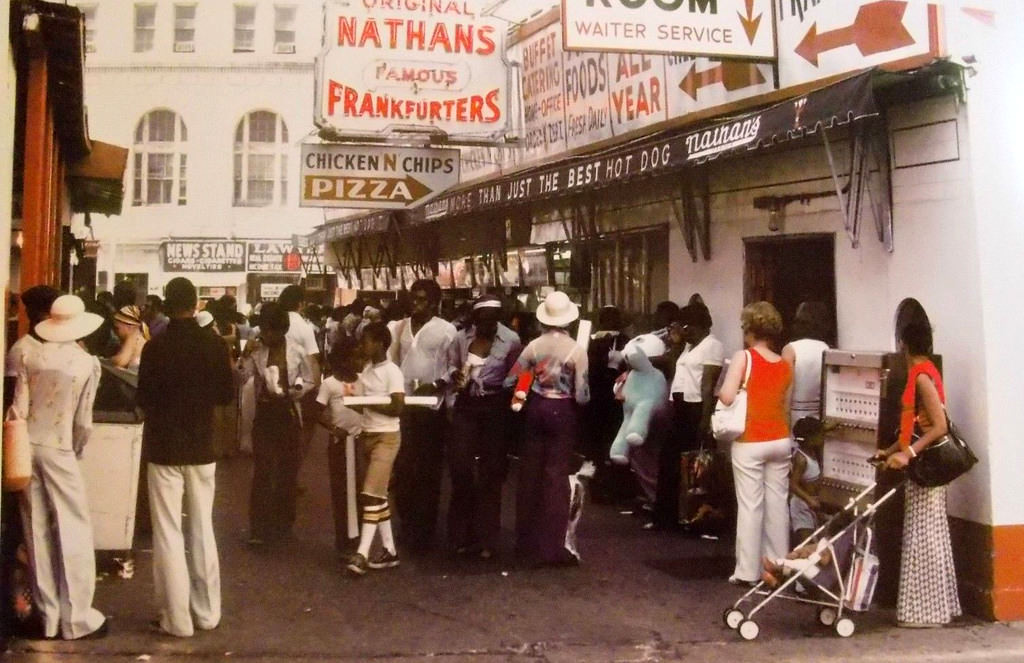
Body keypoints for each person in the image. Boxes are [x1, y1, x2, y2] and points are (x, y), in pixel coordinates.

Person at [137, 278, 234, 637]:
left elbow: (143, 398)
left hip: (164, 448)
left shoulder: (155, 348)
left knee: (167, 533)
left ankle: (176, 620)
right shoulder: (213, 345)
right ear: (196, 305)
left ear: (165, 303)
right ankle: (207, 613)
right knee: (202, 529)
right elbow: (225, 394)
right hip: (201, 447)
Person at [10, 294, 109, 640]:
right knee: (73, 528)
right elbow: (83, 422)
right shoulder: (85, 363)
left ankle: (48, 615)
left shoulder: (28, 355)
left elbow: (17, 410)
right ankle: (78, 617)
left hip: (27, 446)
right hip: (60, 447)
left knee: (35, 527)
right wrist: (76, 449)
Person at [871, 321, 962, 628]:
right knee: (926, 531)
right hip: (920, 461)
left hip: (926, 465)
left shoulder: (921, 376)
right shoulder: (922, 373)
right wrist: (891, 449)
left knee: (923, 533)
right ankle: (936, 607)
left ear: (903, 345)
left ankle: (926, 611)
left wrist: (907, 453)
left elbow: (939, 426)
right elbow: (915, 423)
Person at [504, 291, 589, 566]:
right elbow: (582, 394)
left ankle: (525, 542)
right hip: (562, 412)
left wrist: (529, 385)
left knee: (530, 475)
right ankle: (551, 548)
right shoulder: (577, 350)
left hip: (536, 409)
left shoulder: (533, 347)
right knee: (556, 479)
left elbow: (511, 381)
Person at [718, 301, 793, 586]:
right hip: (780, 439)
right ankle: (777, 567)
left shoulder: (744, 358)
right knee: (777, 506)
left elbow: (726, 396)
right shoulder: (785, 365)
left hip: (750, 439)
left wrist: (736, 389)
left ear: (750, 329)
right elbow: (785, 404)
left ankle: (747, 571)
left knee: (751, 506)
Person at [446, 295, 522, 559]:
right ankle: (461, 534)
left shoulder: (511, 340)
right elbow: (452, 367)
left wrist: (512, 396)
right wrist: (455, 377)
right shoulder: (460, 338)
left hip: (495, 407)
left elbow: (518, 374)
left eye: (493, 320)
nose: (488, 325)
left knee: (492, 472)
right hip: (467, 405)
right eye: (483, 320)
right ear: (475, 319)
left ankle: (487, 537)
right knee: (460, 467)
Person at [388, 279, 457, 552]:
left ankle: (424, 530)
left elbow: (455, 367)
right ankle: (407, 522)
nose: (416, 304)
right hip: (404, 406)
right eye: (413, 299)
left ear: (434, 302)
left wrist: (438, 383)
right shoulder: (399, 328)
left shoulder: (446, 331)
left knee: (428, 471)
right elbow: (392, 362)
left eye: (422, 300)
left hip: (432, 408)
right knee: (404, 469)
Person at [239, 303, 315, 545]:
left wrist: (298, 390)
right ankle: (258, 529)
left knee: (286, 471)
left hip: (288, 413)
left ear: (282, 330)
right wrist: (244, 354)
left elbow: (312, 378)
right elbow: (241, 375)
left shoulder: (297, 351)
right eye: (263, 330)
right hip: (264, 413)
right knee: (262, 470)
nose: (265, 335)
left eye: (270, 331)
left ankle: (283, 524)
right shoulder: (257, 348)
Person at [345, 322, 405, 576]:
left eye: (367, 341)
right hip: (368, 434)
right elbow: (363, 406)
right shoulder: (367, 370)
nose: (363, 346)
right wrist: (355, 400)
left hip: (387, 437)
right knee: (377, 495)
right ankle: (390, 550)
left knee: (369, 494)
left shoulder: (392, 372)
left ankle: (362, 552)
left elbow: (397, 407)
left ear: (381, 343)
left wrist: (368, 402)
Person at [659, 303, 724, 528]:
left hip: (695, 407)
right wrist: (677, 344)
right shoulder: (688, 346)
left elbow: (707, 385)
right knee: (670, 460)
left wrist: (705, 421)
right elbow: (671, 366)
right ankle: (667, 516)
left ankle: (694, 516)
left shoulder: (712, 346)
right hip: (679, 405)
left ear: (700, 326)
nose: (686, 332)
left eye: (688, 327)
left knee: (693, 465)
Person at [313, 337, 365, 556]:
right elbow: (316, 411)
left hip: (361, 443)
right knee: (341, 492)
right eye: (355, 357)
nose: (360, 361)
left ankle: (360, 540)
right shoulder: (330, 384)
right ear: (343, 360)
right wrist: (334, 429)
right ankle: (343, 540)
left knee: (361, 491)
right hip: (339, 445)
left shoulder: (364, 380)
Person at [278, 285, 322, 460]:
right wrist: (316, 386)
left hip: (275, 381)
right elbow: (313, 358)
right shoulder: (304, 326)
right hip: (300, 384)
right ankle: (295, 467)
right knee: (305, 427)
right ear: (301, 304)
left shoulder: (276, 320)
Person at [781, 301, 831, 426]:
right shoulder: (827, 349)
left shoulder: (790, 349)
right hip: (819, 417)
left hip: (795, 416)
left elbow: (786, 391)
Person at [789, 417, 824, 545]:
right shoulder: (801, 459)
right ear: (810, 439)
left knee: (814, 541)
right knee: (806, 544)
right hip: (802, 505)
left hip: (811, 503)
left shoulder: (811, 451)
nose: (823, 438)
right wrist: (809, 499)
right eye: (821, 435)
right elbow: (792, 484)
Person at [110, 305, 149, 369]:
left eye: (117, 328)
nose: (115, 332)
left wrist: (106, 360)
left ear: (129, 327)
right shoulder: (139, 335)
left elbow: (120, 361)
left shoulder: (134, 336)